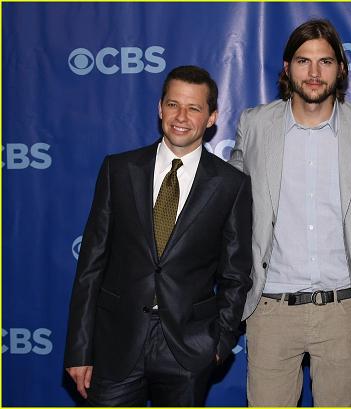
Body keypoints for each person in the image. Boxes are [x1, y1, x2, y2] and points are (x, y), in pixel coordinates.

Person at [64, 65, 253, 406]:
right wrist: (79, 348)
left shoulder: (231, 185)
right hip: (116, 342)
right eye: (173, 104)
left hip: (187, 348)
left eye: (194, 108)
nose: (181, 116)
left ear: (211, 117)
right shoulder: (119, 170)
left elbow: (235, 274)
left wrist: (219, 343)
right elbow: (90, 265)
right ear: (160, 108)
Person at [229, 19, 351, 407]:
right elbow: (228, 208)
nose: (314, 72)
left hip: (344, 311)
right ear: (287, 68)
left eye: (326, 61)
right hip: (270, 309)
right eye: (304, 61)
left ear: (341, 69)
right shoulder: (254, 124)